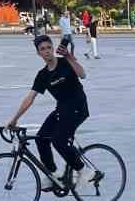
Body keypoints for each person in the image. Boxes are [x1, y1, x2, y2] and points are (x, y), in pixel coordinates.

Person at [7, 34, 95, 190]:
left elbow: (83, 74)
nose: (47, 51)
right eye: (42, 49)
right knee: (41, 138)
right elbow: (30, 98)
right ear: (38, 53)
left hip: (78, 107)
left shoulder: (64, 62)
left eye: (49, 47)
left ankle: (84, 170)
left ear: (53, 48)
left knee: (59, 140)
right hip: (62, 109)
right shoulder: (42, 75)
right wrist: (14, 119)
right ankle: (53, 174)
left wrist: (69, 56)